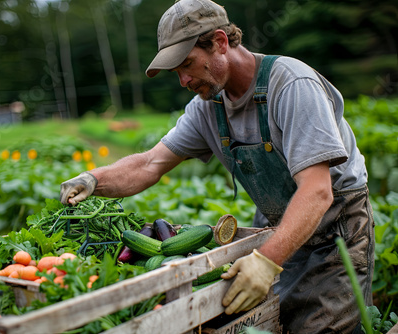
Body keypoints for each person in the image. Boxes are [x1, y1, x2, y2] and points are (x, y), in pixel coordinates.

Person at [60, 0, 375, 332]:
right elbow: (150, 163)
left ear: (221, 42)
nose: (183, 80)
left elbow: (317, 191)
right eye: (175, 72)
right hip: (277, 228)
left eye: (187, 64)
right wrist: (92, 179)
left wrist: (267, 261)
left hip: (333, 235)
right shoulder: (208, 107)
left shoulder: (291, 85)